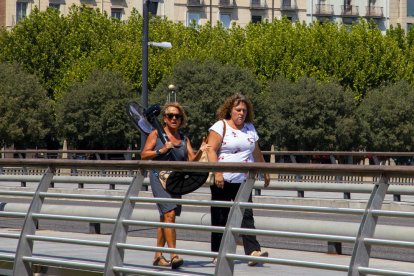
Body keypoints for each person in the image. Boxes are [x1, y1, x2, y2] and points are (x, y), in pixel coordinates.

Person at [206, 93, 270, 266]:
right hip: (223, 180)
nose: (241, 113)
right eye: (238, 110)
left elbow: (256, 151)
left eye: (244, 110)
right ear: (230, 110)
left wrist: (265, 170)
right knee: (220, 216)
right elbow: (211, 149)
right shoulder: (220, 126)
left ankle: (252, 251)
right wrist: (218, 173)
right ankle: (217, 252)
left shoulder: (250, 128)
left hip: (244, 180)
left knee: (246, 215)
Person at [141, 102, 207, 269]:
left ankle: (157, 255)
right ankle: (174, 255)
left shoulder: (184, 139)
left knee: (166, 217)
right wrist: (161, 151)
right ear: (164, 118)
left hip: (176, 181)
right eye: (170, 115)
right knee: (169, 213)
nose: (174, 119)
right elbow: (144, 155)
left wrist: (201, 150)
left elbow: (192, 160)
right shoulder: (156, 134)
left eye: (177, 116)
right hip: (159, 178)